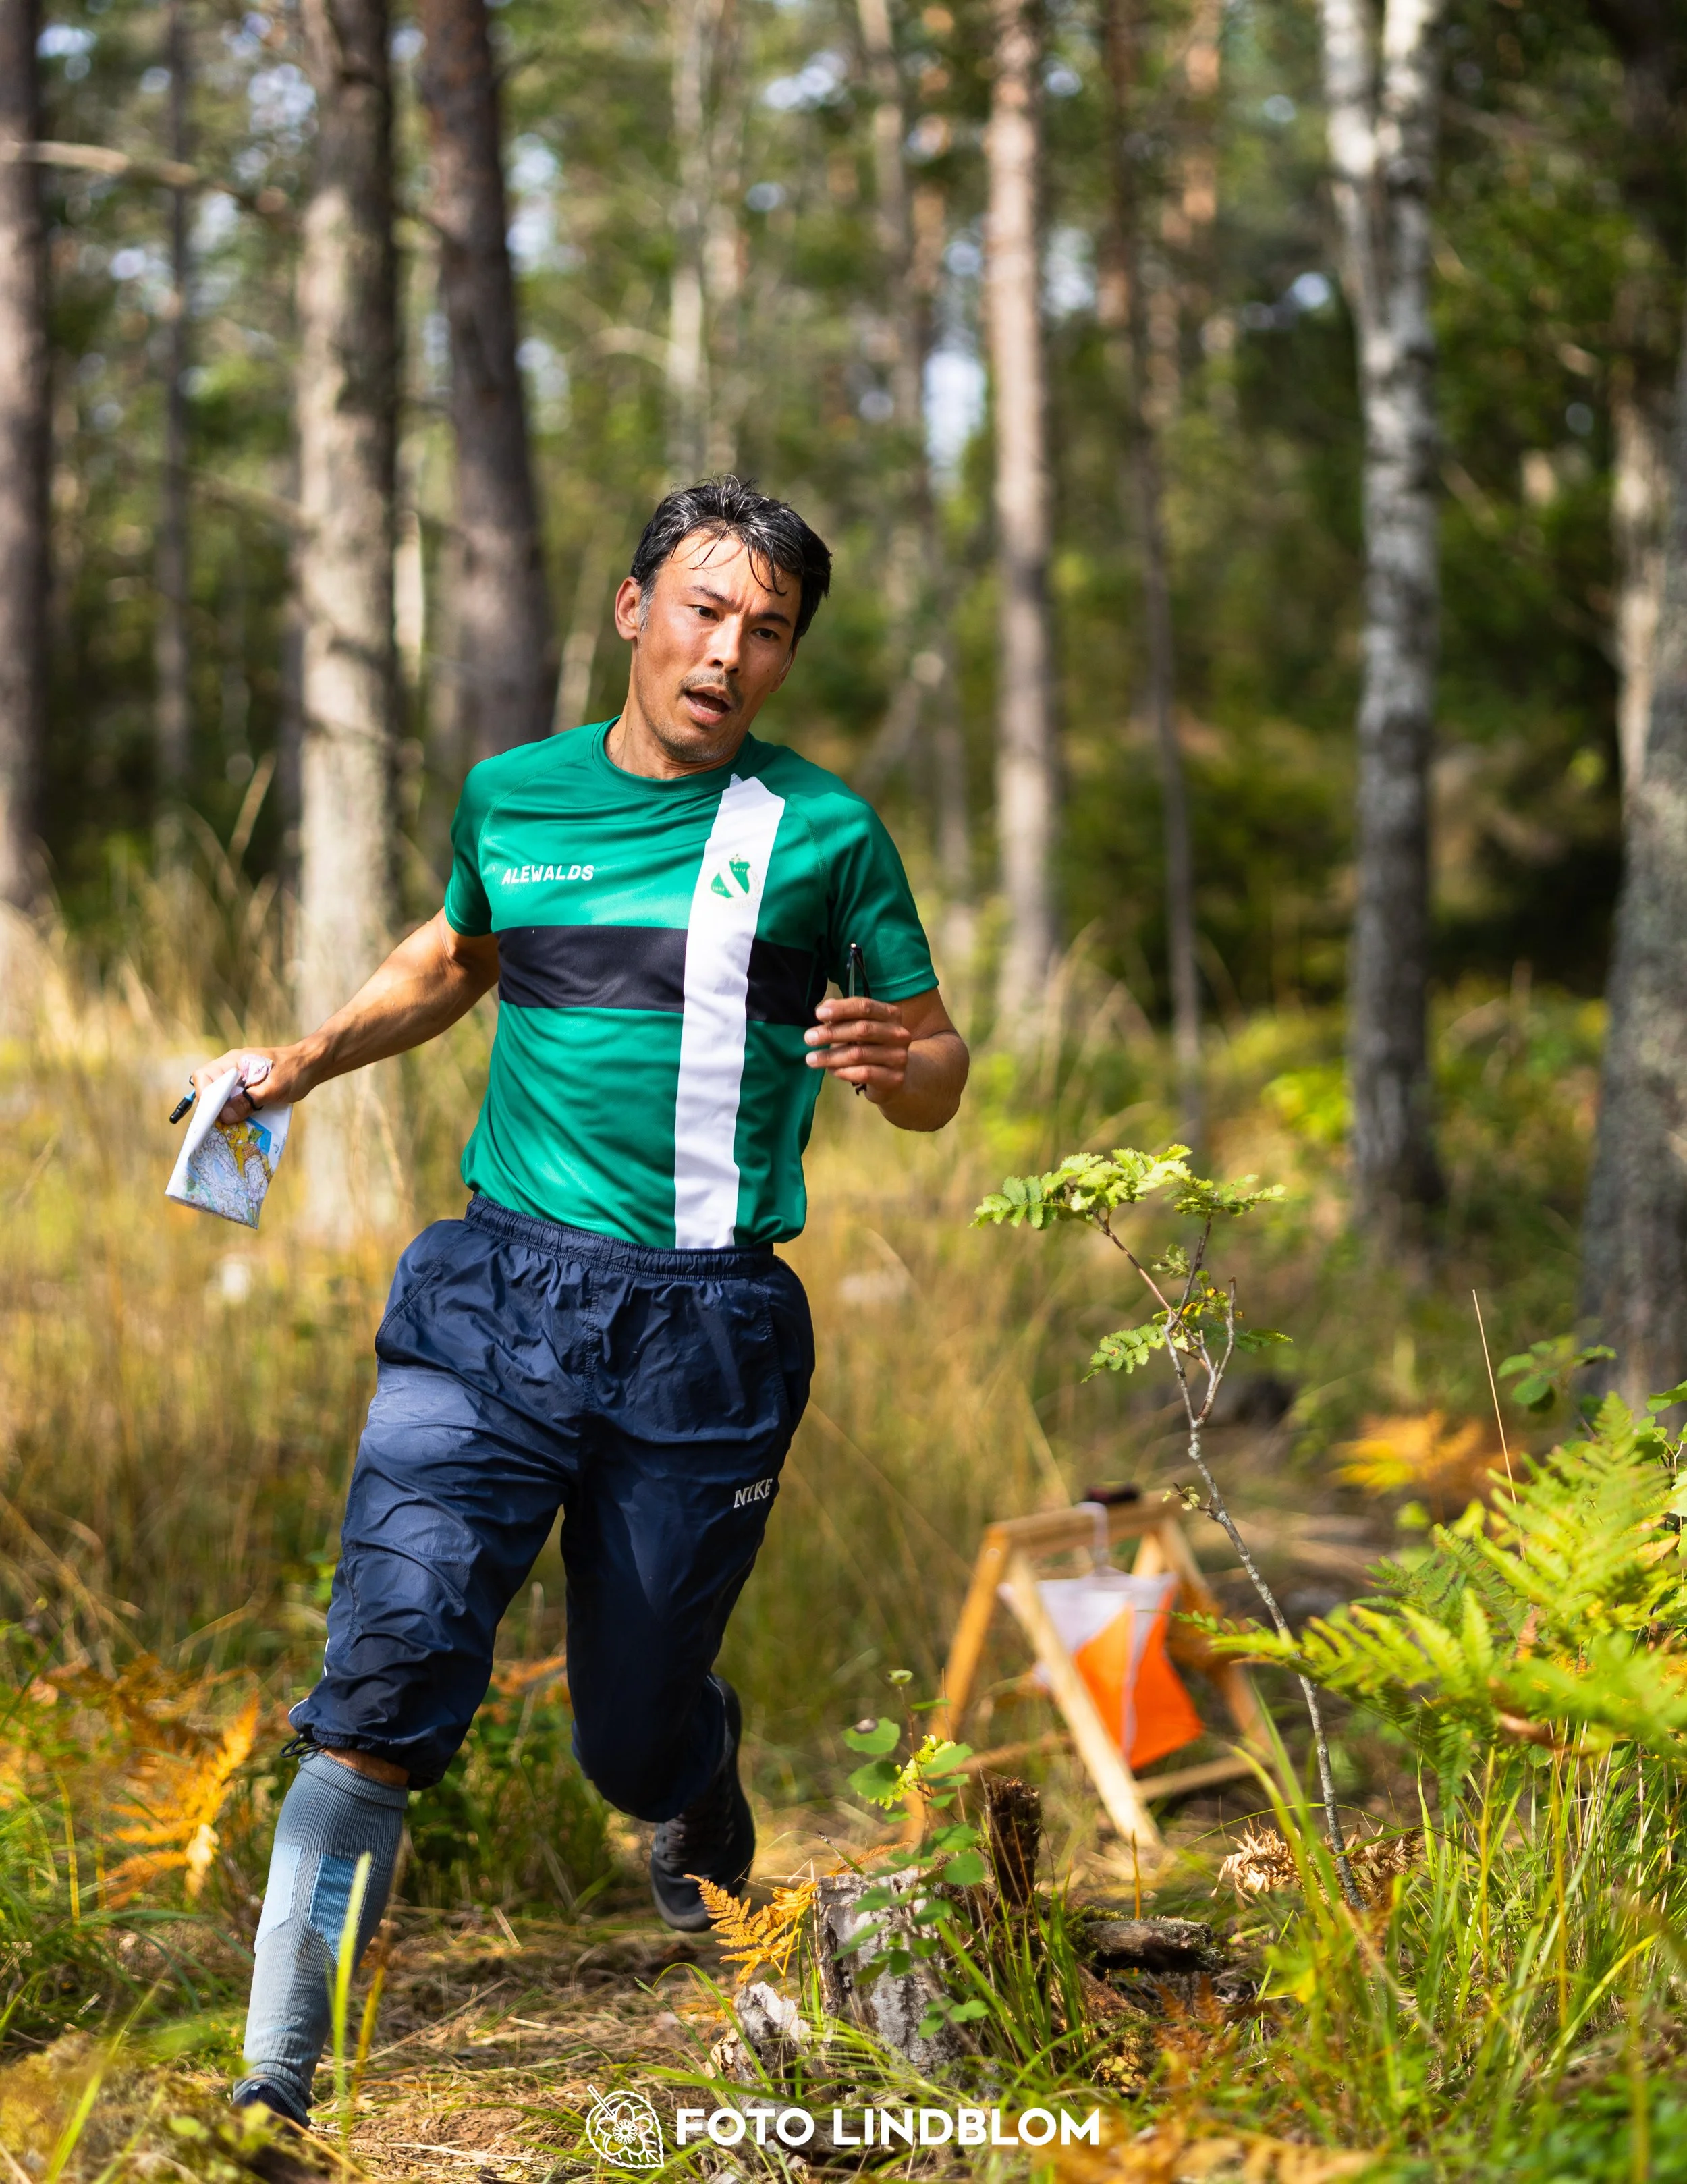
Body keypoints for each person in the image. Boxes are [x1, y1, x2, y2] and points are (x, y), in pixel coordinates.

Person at [196, 478, 970, 2126]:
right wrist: (300, 1064)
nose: (727, 652)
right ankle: (275, 2085)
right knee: (385, 1670)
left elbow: (935, 1062)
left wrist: (899, 1065)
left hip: (705, 1330)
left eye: (766, 630)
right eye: (703, 609)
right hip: (494, 1295)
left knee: (625, 1738)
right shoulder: (513, 795)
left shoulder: (823, 832)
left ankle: (693, 1776)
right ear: (633, 611)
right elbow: (456, 954)